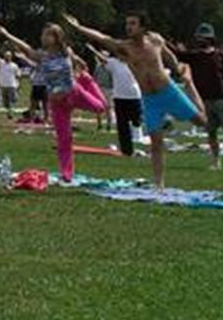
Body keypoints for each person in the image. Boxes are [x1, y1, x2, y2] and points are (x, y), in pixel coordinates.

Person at [64, 12, 206, 188]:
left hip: (168, 91)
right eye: (127, 24)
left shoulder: (155, 40)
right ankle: (159, 184)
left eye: (133, 23)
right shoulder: (125, 47)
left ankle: (191, 86)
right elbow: (102, 38)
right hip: (149, 99)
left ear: (143, 27)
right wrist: (79, 28)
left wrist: (178, 68)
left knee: (201, 121)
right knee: (156, 142)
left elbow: (168, 55)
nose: (128, 27)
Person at [0, 21, 106, 182]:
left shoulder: (65, 52)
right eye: (43, 34)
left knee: (100, 108)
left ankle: (87, 81)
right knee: (64, 138)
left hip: (73, 93)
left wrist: (81, 70)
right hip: (56, 102)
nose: (43, 37)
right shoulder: (42, 56)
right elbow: (25, 47)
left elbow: (77, 61)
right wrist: (6, 34)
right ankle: (67, 173)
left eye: (47, 34)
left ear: (56, 37)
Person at [173, 23, 223, 165]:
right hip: (203, 100)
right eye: (198, 38)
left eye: (203, 38)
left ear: (210, 39)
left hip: (221, 99)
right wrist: (165, 43)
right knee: (211, 132)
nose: (200, 40)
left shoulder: (220, 55)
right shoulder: (195, 56)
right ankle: (216, 160)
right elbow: (179, 55)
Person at [87, 44, 143, 156]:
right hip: (119, 97)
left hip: (134, 96)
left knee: (136, 120)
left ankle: (138, 130)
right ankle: (127, 151)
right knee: (122, 125)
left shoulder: (134, 62)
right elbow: (103, 60)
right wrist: (93, 50)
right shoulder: (113, 63)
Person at [0, 51, 21, 120]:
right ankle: (8, 113)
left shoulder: (14, 65)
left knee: (12, 100)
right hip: (3, 85)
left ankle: (11, 114)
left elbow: (18, 75)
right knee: (5, 102)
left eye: (8, 56)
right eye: (5, 56)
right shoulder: (1, 64)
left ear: (11, 57)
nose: (7, 57)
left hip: (11, 85)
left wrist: (18, 85)